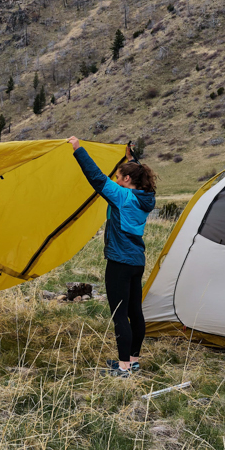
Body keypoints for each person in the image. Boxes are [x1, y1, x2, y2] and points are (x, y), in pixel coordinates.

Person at [67, 137, 157, 377]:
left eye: (119, 176)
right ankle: (134, 361)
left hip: (119, 262)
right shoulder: (146, 197)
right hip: (137, 262)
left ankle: (124, 367)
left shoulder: (122, 197)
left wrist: (78, 149)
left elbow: (96, 178)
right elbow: (139, 175)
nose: (115, 180)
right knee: (134, 312)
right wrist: (132, 160)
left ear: (127, 180)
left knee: (120, 315)